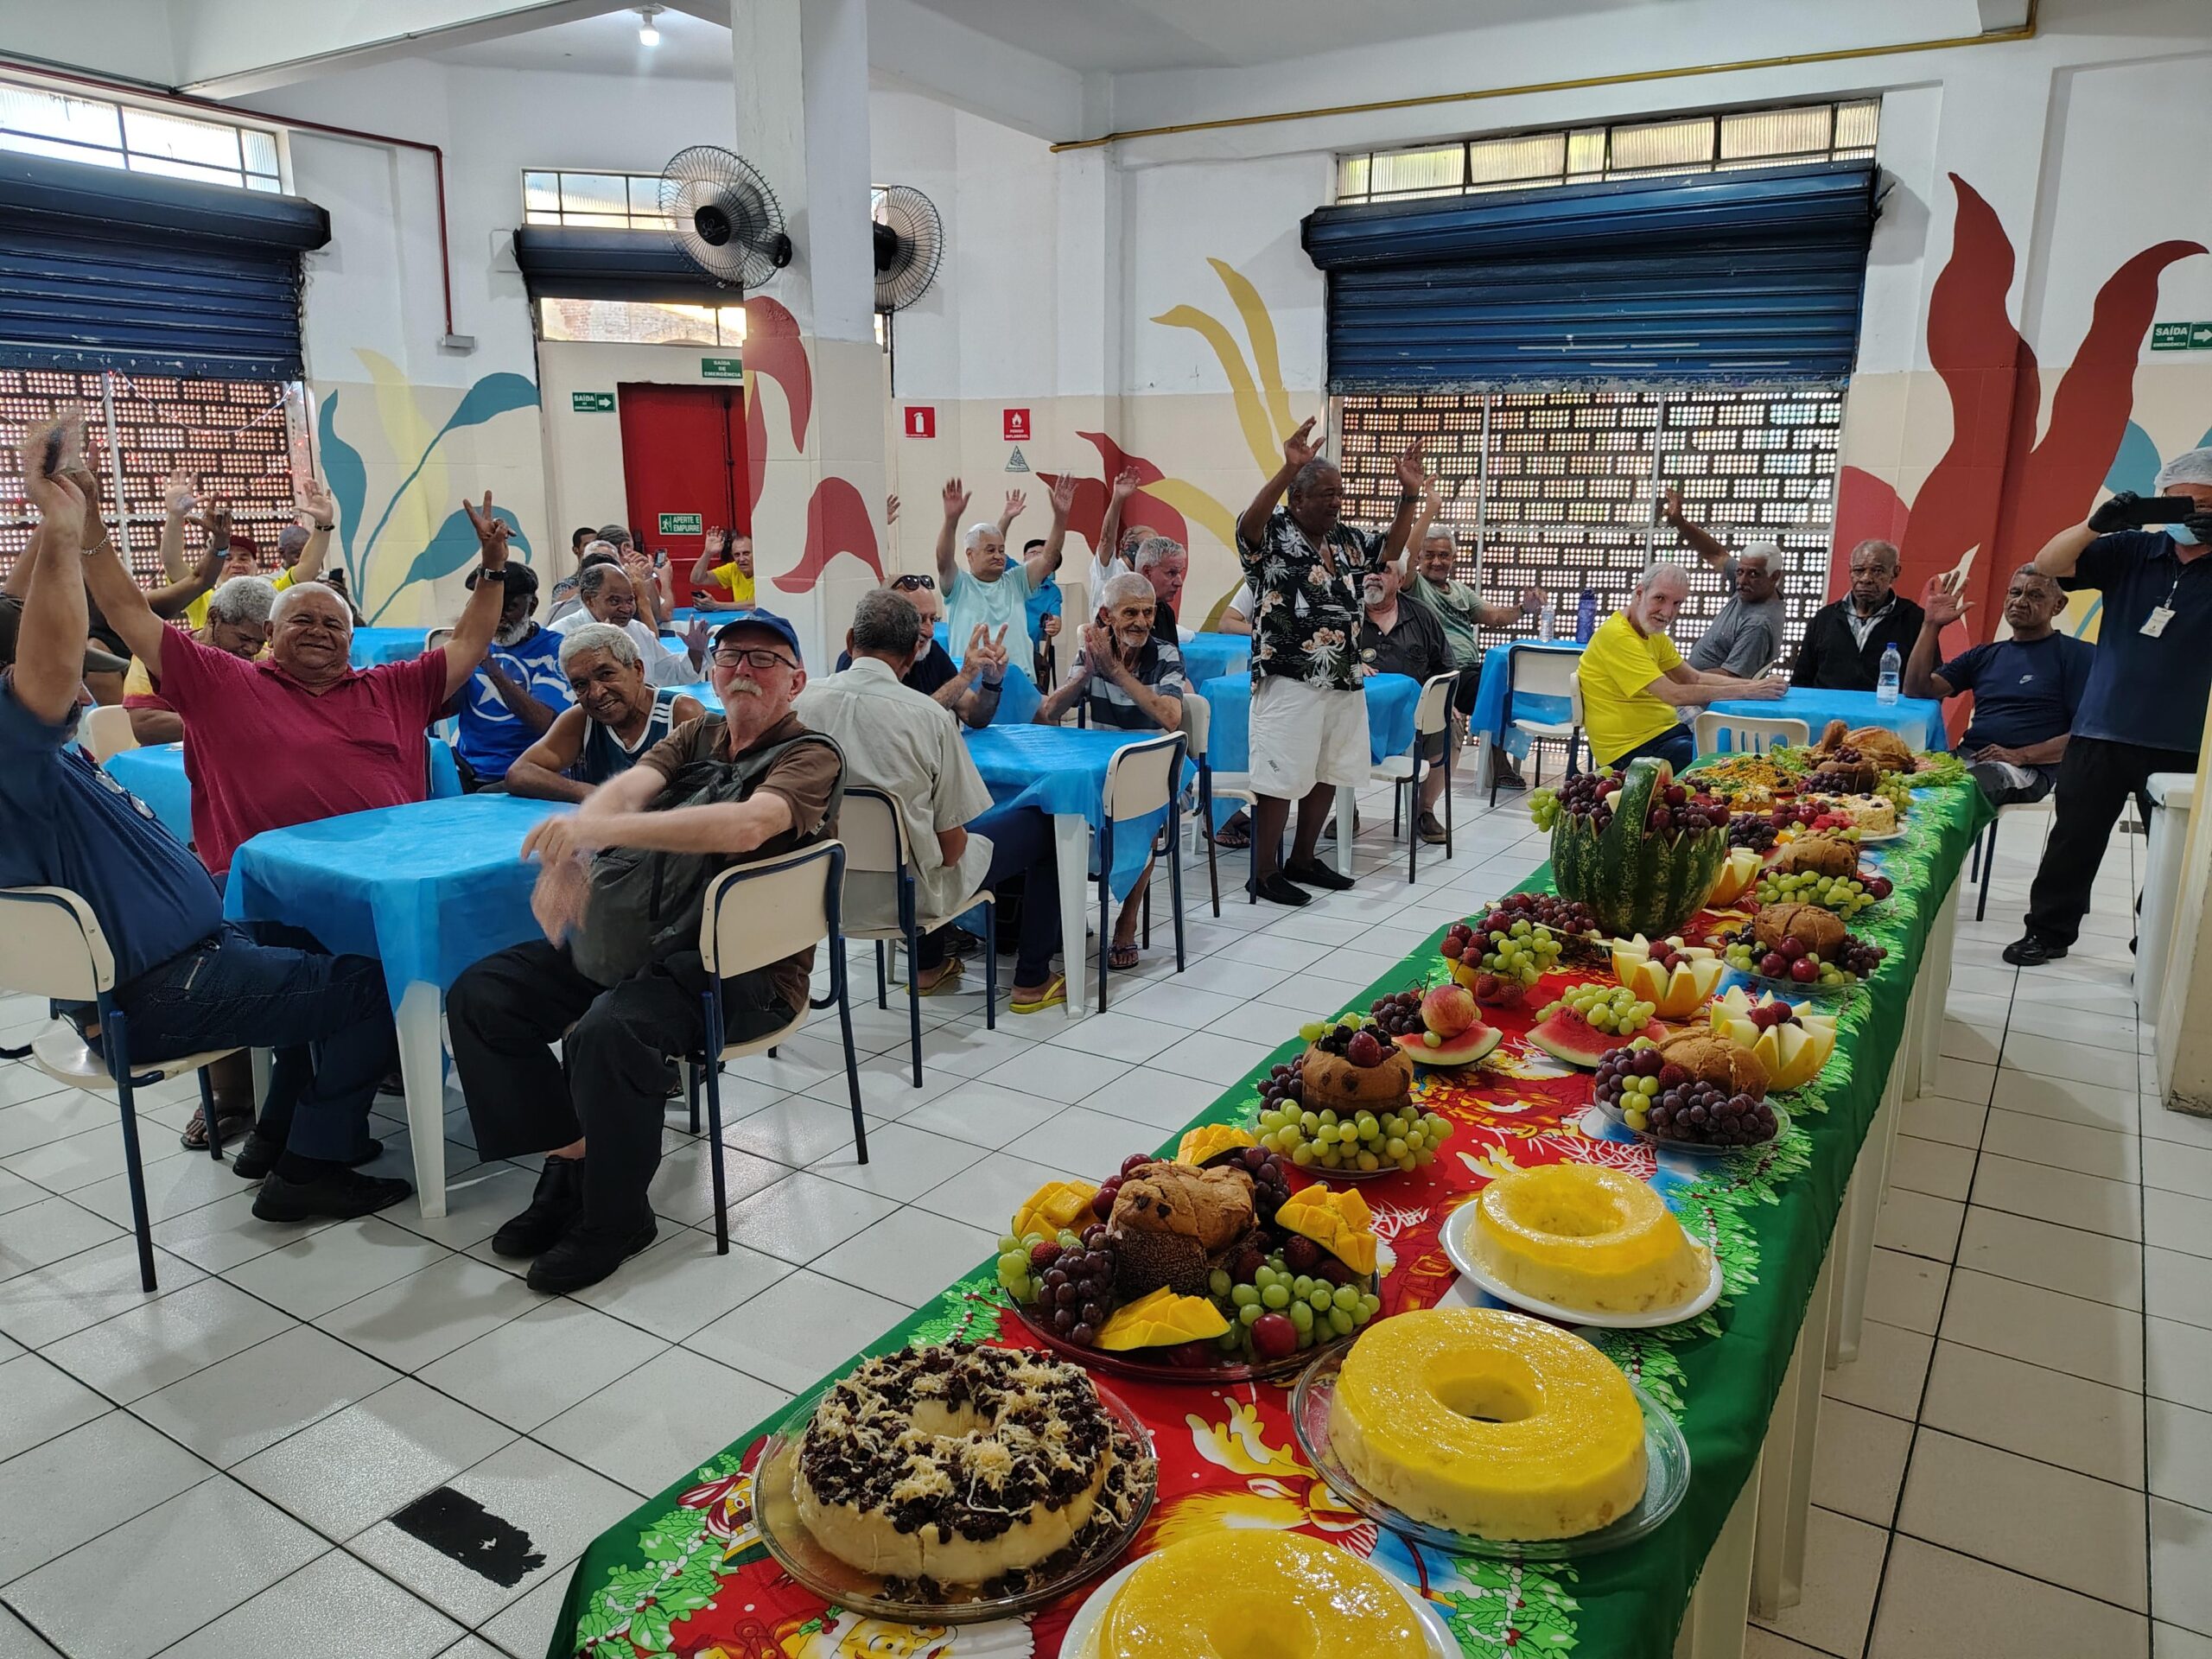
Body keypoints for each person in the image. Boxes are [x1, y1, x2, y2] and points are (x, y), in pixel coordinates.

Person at [1, 423, 407, 1221]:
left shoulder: (30, 760)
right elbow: (45, 657)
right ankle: (312, 1165)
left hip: (178, 962)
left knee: (312, 949)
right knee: (388, 980)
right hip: (159, 990)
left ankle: (275, 1136)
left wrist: (62, 510)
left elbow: (15, 618)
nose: (82, 682)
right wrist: (60, 528)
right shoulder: (13, 748)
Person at [446, 609, 844, 1293]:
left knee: (608, 1032)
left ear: (796, 682)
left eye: (765, 659)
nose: (744, 670)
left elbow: (750, 825)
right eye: (731, 657)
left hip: (740, 970)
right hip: (640, 939)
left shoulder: (812, 756)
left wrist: (613, 833)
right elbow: (626, 789)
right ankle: (572, 1159)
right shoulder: (697, 733)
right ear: (712, 673)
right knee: (484, 996)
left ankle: (618, 1217)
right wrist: (580, 835)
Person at [81, 491, 513, 887]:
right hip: (272, 893)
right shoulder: (223, 682)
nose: (318, 631)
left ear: (350, 639)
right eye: (302, 620)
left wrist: (493, 568)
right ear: (270, 633)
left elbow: (468, 642)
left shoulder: (395, 686)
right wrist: (89, 521)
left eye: (333, 625)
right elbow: (127, 611)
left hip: (389, 881)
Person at [799, 588, 1066, 1010]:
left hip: (820, 892)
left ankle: (927, 967)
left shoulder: (800, 705)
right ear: (912, 654)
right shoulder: (928, 717)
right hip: (911, 896)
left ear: (850, 641)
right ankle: (1032, 980)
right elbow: (952, 849)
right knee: (1046, 823)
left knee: (917, 832)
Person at [2004, 455, 2212, 967]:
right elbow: (2048, 564)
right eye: (2182, 503)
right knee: (2073, 839)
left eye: (2206, 505)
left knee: (2173, 855)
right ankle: (2047, 932)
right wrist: (2097, 524)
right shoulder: (2134, 549)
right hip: (2102, 729)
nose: (2194, 513)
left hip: (2186, 739)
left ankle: (2156, 946)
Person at [1234, 417, 1424, 906]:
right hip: (1289, 675)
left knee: (1328, 769)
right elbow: (1247, 525)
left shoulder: (1344, 539)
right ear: (1297, 499)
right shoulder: (1273, 532)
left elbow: (1390, 550)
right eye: (1325, 494)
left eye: (1339, 493)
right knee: (1281, 774)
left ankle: (1302, 859)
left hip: (1343, 673)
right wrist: (1286, 468)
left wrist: (1408, 496)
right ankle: (1263, 872)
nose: (1337, 501)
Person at [1036, 570, 1187, 968]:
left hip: (1155, 769)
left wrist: (1116, 672)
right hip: (1102, 768)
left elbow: (1171, 717)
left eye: (1148, 612)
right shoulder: (1093, 651)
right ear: (1107, 615)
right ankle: (1056, 917)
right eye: (1130, 613)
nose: (1142, 622)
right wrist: (1088, 672)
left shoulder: (1166, 655)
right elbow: (1050, 711)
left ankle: (1126, 922)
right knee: (1050, 811)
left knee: (1146, 819)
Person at [1396, 486, 1548, 794]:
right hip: (1441, 673)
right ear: (1421, 558)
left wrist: (1524, 608)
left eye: (1443, 555)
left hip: (1469, 669)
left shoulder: (1460, 591)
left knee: (1513, 683)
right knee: (1493, 689)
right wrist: (1430, 508)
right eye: (1429, 555)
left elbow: (1494, 617)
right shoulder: (1414, 586)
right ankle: (1498, 765)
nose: (1436, 562)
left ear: (1453, 558)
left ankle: (1501, 760)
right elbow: (1405, 558)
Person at [1904, 567, 2090, 807]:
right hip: (1969, 755)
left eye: (2034, 595)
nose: (2020, 601)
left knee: (1956, 792)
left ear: (2058, 605)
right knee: (1900, 778)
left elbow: (2087, 735)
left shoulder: (2078, 656)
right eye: (2015, 593)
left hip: (2025, 768)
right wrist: (1931, 625)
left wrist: (2021, 755)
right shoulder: (1984, 655)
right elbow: (1917, 689)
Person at [1579, 563, 1785, 771]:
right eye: (1660, 598)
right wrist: (1749, 691)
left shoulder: (1651, 632)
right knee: (1736, 766)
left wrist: (1755, 685)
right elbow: (1673, 694)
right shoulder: (1618, 636)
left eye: (1677, 603)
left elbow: (1694, 678)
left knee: (1744, 754)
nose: (1667, 612)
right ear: (1640, 593)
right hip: (1630, 752)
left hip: (1666, 734)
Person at [504, 623, 706, 801]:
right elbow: (520, 772)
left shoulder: (681, 714)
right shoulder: (580, 719)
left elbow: (711, 792)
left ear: (638, 669)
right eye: (580, 685)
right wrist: (593, 794)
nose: (596, 693)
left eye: (606, 674)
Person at [448, 563, 571, 792]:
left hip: (527, 773)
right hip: (467, 768)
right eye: (489, 607)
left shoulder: (555, 650)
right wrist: (450, 664)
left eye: (509, 608)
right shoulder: (472, 642)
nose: (498, 617)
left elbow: (545, 724)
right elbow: (444, 707)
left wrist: (490, 667)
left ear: (531, 606)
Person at [1357, 560, 1454, 843]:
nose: (1373, 576)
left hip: (1413, 714)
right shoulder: (1345, 614)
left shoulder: (1421, 615)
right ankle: (1346, 809)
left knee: (1451, 727)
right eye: (1368, 570)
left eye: (1384, 571)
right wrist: (1349, 662)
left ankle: (1425, 811)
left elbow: (1446, 668)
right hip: (1358, 711)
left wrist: (1447, 702)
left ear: (1400, 580)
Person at [936, 474, 1073, 671]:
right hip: (971, 679)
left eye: (1002, 550)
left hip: (1019, 677)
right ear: (970, 554)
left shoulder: (1016, 580)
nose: (998, 556)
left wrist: (1061, 518)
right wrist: (951, 521)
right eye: (990, 550)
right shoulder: (958, 584)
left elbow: (1048, 559)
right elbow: (943, 560)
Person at [836, 574, 1007, 730]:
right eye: (919, 619)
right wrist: (964, 677)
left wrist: (991, 682)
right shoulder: (861, 660)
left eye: (933, 619)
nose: (930, 631)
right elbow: (898, 727)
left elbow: (973, 715)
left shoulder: (932, 653)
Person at [123, 574, 276, 746]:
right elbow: (145, 726)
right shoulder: (157, 653)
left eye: (260, 642)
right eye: (243, 638)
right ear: (213, 617)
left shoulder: (264, 661)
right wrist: (230, 722)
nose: (252, 649)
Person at [1660, 489, 1790, 678]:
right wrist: (1681, 524)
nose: (1742, 581)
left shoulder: (1758, 624)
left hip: (1707, 693)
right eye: (1740, 571)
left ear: (1774, 576)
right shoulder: (1751, 588)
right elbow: (1716, 554)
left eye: (1753, 574)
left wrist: (1674, 677)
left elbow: (1731, 677)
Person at [1791, 538, 1924, 690]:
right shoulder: (1824, 618)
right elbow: (1801, 680)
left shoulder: (1913, 619)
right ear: (1850, 571)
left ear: (1895, 572)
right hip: (1826, 705)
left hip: (1886, 704)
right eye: (1859, 571)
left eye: (1877, 571)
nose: (1866, 579)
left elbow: (1925, 682)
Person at [549, 561, 705, 689]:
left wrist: (695, 653)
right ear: (589, 599)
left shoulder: (638, 630)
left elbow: (673, 674)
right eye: (614, 601)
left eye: (630, 600)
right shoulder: (559, 636)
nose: (626, 609)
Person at [689, 527, 756, 611]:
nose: (741, 559)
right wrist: (707, 553)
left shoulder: (765, 570)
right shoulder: (733, 568)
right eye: (737, 555)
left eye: (746, 553)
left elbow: (756, 604)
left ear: (756, 552)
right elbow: (697, 579)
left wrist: (717, 605)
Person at [1023, 544, 1065, 681]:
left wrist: (1055, 625)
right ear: (1024, 557)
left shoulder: (1052, 591)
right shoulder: (1010, 579)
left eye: (1041, 554)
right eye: (1032, 552)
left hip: (1028, 655)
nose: (1036, 557)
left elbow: (1055, 618)